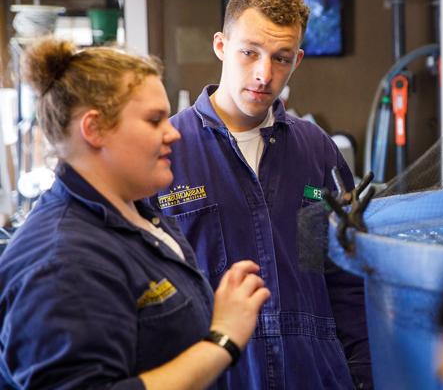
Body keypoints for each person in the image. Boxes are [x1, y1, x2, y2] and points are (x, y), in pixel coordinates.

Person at [0, 38, 270, 390]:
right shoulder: (63, 260)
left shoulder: (142, 216)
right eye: (154, 120)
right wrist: (222, 340)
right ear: (94, 129)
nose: (173, 132)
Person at [153, 0, 372, 389]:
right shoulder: (166, 149)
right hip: (213, 374)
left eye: (281, 58)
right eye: (249, 52)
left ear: (298, 60)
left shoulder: (316, 151)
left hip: (312, 375)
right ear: (221, 45)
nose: (263, 74)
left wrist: (361, 376)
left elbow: (344, 275)